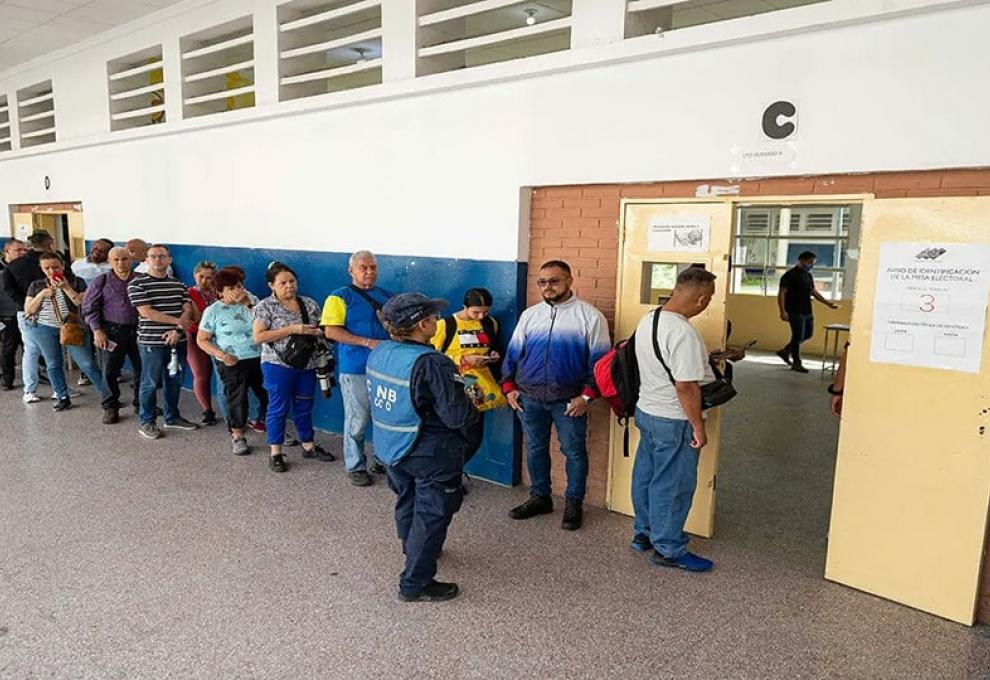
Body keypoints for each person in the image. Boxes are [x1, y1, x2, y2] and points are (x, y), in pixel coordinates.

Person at [368, 293, 477, 602]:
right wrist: (472, 401)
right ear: (422, 324)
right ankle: (415, 583)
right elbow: (457, 415)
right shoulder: (432, 363)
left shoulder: (380, 351)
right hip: (430, 452)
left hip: (392, 447)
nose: (438, 321)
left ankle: (412, 548)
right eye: (433, 317)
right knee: (431, 514)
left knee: (408, 500)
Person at [500, 260, 610, 531]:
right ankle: (540, 497)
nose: (547, 287)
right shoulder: (530, 315)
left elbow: (601, 363)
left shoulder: (590, 317)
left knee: (573, 452)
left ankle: (574, 503)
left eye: (554, 281)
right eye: (542, 282)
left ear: (570, 281)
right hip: (529, 398)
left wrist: (586, 397)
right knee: (536, 448)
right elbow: (513, 353)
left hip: (569, 401)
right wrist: (509, 388)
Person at [629, 267, 718, 572]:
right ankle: (668, 548)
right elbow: (686, 386)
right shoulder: (683, 332)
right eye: (709, 300)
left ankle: (644, 532)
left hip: (647, 410)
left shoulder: (650, 318)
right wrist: (697, 425)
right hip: (674, 419)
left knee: (646, 473)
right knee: (673, 483)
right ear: (701, 298)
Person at [253, 261, 334, 472]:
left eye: (292, 281)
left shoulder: (309, 304)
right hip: (277, 364)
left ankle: (308, 445)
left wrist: (318, 333)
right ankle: (276, 452)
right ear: (272, 285)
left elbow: (320, 328)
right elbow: (259, 336)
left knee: (304, 405)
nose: (289, 286)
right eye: (283, 283)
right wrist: (293, 329)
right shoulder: (265, 306)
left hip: (307, 364)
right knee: (278, 408)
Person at [321, 250, 393, 486]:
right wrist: (368, 342)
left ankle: (382, 460)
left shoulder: (387, 296)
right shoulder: (339, 297)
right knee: (358, 419)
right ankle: (355, 465)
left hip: (385, 368)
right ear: (351, 270)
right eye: (363, 267)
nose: (369, 272)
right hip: (355, 368)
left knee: (385, 418)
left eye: (373, 267)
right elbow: (331, 331)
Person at [127, 244, 199, 439]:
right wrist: (178, 322)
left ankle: (172, 417)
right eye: (153, 256)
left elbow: (188, 310)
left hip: (179, 340)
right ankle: (147, 421)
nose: (158, 260)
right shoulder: (137, 284)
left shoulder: (179, 285)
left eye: (162, 256)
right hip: (152, 342)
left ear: (169, 260)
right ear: (147, 260)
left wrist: (177, 329)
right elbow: (147, 312)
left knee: (174, 381)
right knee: (150, 383)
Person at [21, 252, 108, 411]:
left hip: (72, 326)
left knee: (87, 363)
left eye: (55, 267)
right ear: (41, 268)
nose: (51, 271)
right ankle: (62, 396)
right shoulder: (36, 285)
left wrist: (66, 287)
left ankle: (107, 395)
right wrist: (42, 295)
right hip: (44, 328)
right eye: (46, 268)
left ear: (62, 265)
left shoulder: (77, 281)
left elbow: (81, 302)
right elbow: (29, 310)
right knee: (53, 363)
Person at [198, 266, 269, 456]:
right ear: (220, 292)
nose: (237, 291)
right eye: (231, 289)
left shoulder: (253, 302)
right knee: (237, 399)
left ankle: (275, 428)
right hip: (233, 361)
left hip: (260, 357)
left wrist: (247, 304)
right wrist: (221, 355)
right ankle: (237, 435)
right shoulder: (213, 310)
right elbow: (202, 340)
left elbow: (266, 323)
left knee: (268, 395)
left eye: (239, 286)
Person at [430, 287, 506, 461]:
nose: (481, 316)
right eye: (476, 312)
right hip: (453, 385)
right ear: (465, 306)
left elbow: (494, 347)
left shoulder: (490, 323)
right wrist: (463, 360)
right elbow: (432, 357)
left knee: (473, 436)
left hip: (478, 385)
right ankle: (447, 477)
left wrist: (493, 356)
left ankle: (451, 473)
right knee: (452, 432)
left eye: (485, 312)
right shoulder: (446, 325)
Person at [82, 246, 142, 424]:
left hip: (139, 331)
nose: (120, 263)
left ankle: (142, 403)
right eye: (116, 259)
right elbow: (89, 308)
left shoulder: (141, 280)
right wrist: (97, 330)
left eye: (124, 259)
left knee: (142, 369)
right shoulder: (101, 281)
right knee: (110, 371)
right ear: (109, 261)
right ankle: (110, 406)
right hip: (112, 332)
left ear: (131, 260)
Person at [775, 251, 839, 374]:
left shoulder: (808, 276)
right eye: (810, 262)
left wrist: (827, 303)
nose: (811, 265)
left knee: (807, 335)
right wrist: (782, 311)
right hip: (794, 311)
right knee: (797, 335)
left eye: (813, 263)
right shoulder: (789, 275)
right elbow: (781, 294)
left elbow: (813, 292)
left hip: (807, 310)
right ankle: (796, 363)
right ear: (802, 261)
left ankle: (785, 351)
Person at [186, 261, 218, 425]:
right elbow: (194, 318)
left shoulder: (220, 293)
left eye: (210, 277)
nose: (205, 281)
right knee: (201, 374)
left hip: (219, 337)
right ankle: (207, 410)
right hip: (195, 336)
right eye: (201, 277)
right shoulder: (189, 293)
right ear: (195, 276)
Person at [0, 239, 28, 390]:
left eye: (25, 250)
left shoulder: (26, 267)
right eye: (18, 250)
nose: (23, 253)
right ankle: (7, 379)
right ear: (7, 252)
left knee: (29, 348)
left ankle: (31, 377)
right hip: (7, 315)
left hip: (25, 312)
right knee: (9, 348)